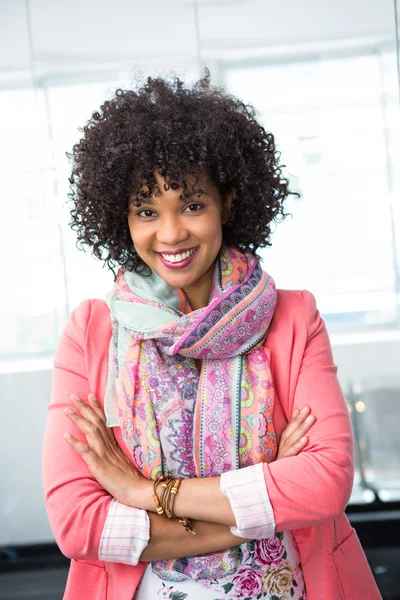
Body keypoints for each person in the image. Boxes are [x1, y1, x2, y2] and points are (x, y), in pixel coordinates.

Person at [42, 73, 381, 600]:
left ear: (228, 199)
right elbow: (79, 524)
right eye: (147, 211)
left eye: (193, 205)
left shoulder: (294, 317)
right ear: (122, 218)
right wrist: (265, 501)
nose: (171, 233)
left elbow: (324, 485)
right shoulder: (91, 332)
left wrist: (140, 492)